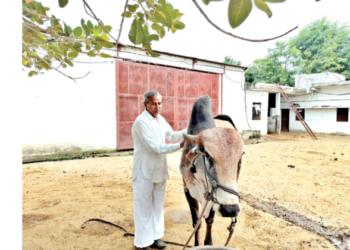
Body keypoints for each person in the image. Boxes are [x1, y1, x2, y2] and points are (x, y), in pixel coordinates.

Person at [131, 90, 187, 250]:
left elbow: (174, 135)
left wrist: (191, 127)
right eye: (154, 103)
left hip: (159, 169)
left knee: (157, 205)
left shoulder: (160, 120)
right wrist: (179, 146)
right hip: (144, 170)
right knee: (143, 206)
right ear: (146, 104)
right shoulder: (141, 121)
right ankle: (142, 243)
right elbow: (154, 147)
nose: (157, 107)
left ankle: (155, 237)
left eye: (160, 103)